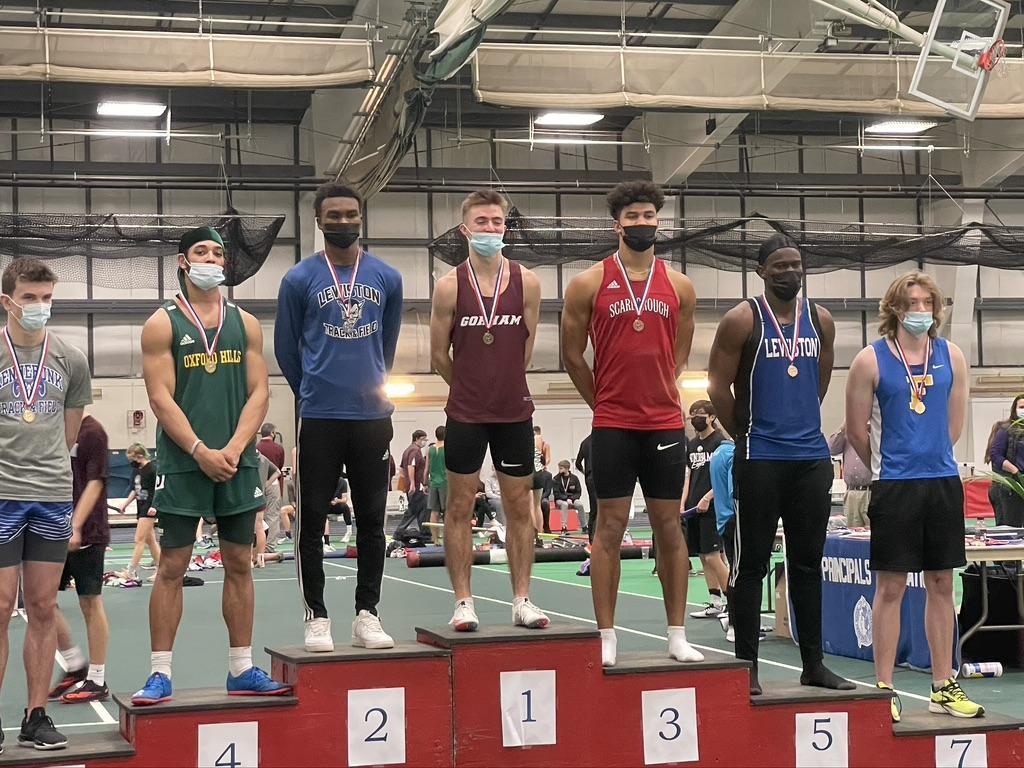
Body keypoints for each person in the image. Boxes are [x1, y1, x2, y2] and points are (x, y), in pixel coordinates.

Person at [132, 226, 291, 705]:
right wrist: (201, 449)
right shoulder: (161, 323)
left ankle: (241, 668)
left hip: (238, 461)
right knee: (173, 567)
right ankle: (160, 673)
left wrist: (239, 446)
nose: (211, 259)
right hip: (184, 461)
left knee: (241, 562)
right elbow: (159, 397)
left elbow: (260, 391)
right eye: (201, 251)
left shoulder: (246, 323)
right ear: (183, 261)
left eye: (218, 253)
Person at [561, 180, 702, 667]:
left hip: (664, 423)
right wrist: (602, 402)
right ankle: (606, 634)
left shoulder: (679, 286)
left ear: (658, 221)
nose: (642, 223)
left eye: (649, 216)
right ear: (616, 224)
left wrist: (660, 386)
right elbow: (572, 355)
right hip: (614, 424)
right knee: (609, 528)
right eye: (633, 217)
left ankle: (677, 634)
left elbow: (678, 353)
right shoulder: (588, 283)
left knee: (670, 527)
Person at [707, 233, 851, 696]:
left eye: (797, 265)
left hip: (810, 460)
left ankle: (814, 663)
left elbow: (821, 382)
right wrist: (747, 434)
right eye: (781, 266)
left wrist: (801, 424)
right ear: (762, 271)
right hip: (761, 457)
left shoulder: (821, 320)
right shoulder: (740, 319)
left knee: (808, 565)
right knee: (751, 565)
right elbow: (716, 388)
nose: (791, 272)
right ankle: (746, 666)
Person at [846, 270, 981, 721]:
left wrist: (933, 455)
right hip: (895, 485)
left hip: (941, 482)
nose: (920, 311)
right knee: (892, 586)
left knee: (943, 584)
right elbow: (855, 430)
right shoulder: (870, 360)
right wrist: (889, 464)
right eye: (912, 303)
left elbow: (955, 422)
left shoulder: (952, 356)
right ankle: (884, 688)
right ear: (894, 309)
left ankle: (944, 683)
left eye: (928, 303)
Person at [276, 181, 403, 652]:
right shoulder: (298, 279)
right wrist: (312, 390)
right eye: (334, 215)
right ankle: (317, 616)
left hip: (373, 417)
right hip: (320, 417)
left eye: (351, 214)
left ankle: (367, 614)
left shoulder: (387, 278)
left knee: (372, 520)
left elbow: (385, 345)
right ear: (319, 221)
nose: (343, 221)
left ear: (361, 218)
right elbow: (287, 349)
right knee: (311, 521)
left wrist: (366, 381)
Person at [430, 188, 549, 632]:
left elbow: (527, 348)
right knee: (459, 507)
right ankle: (464, 602)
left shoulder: (528, 282)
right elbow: (439, 355)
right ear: (465, 229)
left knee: (519, 507)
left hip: (514, 412)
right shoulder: (448, 286)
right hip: (464, 413)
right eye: (482, 222)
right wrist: (470, 388)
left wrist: (501, 386)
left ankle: (522, 599)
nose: (491, 229)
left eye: (497, 223)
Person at [0, 258, 91, 750]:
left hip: (52, 495)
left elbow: (70, 432)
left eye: (47, 298)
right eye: (30, 297)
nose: (39, 307)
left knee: (42, 606)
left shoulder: (71, 359)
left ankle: (36, 716)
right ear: (7, 301)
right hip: (0, 495)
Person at [49, 413, 111, 704]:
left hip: (87, 532)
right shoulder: (50, 426)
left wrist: (75, 525)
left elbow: (96, 482)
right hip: (49, 530)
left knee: (90, 602)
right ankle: (75, 665)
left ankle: (97, 679)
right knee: (43, 602)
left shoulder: (92, 432)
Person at [682, 400, 729, 621]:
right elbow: (689, 476)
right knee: (703, 556)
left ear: (711, 417)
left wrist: (709, 497)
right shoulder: (691, 445)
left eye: (699, 414)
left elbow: (726, 477)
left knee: (714, 557)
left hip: (713, 507)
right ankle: (715, 602)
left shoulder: (721, 443)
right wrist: (683, 503)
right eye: (692, 415)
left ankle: (734, 602)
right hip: (694, 508)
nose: (694, 419)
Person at [709, 436, 737, 642]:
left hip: (723, 519)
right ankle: (736, 624)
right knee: (742, 574)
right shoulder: (732, 454)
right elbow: (733, 490)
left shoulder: (718, 453)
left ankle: (734, 619)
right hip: (734, 519)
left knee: (737, 571)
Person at [122, 444, 160, 581]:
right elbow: (135, 489)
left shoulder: (152, 469)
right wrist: (125, 504)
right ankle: (161, 570)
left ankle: (131, 571)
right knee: (151, 541)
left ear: (139, 456)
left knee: (139, 540)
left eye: (131, 458)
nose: (130, 462)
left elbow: (159, 489)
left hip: (149, 508)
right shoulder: (137, 470)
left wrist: (155, 505)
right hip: (141, 506)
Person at [827, 423, 872, 528]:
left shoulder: (878, 431)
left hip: (872, 491)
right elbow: (831, 449)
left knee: (873, 533)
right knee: (852, 533)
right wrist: (844, 427)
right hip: (851, 493)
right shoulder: (848, 434)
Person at [989, 395, 1024, 527]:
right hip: (1008, 488)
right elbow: (996, 456)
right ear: (1014, 409)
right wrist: (1015, 471)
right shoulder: (1005, 429)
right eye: (1021, 407)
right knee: (1010, 529)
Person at [575, 432, 597, 542]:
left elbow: (578, 463)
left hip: (590, 478)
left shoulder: (585, 442)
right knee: (605, 508)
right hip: (603, 476)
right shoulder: (603, 440)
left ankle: (592, 538)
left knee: (594, 508)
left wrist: (586, 472)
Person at [427, 426, 447, 545]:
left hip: (434, 482)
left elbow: (426, 468)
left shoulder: (430, 449)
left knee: (434, 512)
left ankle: (435, 539)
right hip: (446, 482)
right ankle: (447, 539)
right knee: (447, 512)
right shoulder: (448, 448)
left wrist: (425, 483)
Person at [552, 460, 585, 531]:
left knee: (580, 505)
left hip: (572, 499)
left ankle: (584, 526)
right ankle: (564, 527)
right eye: (559, 468)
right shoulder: (556, 479)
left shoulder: (574, 478)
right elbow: (556, 493)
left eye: (561, 468)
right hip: (560, 500)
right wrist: (566, 499)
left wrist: (571, 499)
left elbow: (578, 492)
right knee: (564, 504)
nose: (559, 470)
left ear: (567, 468)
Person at [531, 426, 551, 533]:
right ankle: (540, 533)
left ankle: (533, 533)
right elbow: (547, 459)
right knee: (537, 506)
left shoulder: (525, 439)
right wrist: (543, 465)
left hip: (529, 472)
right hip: (539, 473)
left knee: (530, 507)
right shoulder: (541, 441)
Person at [330, 471, 353, 544]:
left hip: (338, 504)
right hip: (327, 505)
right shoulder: (326, 481)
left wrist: (337, 501)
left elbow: (345, 499)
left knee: (345, 507)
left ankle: (349, 532)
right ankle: (323, 535)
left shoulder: (343, 482)